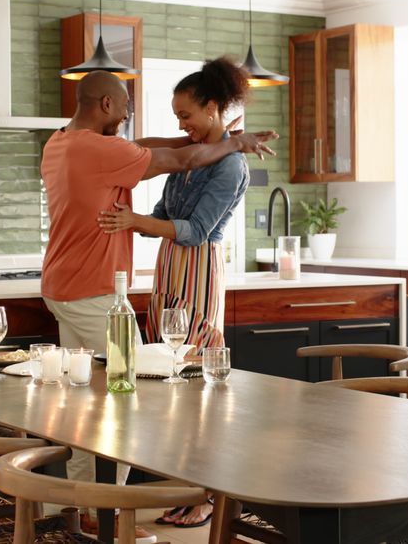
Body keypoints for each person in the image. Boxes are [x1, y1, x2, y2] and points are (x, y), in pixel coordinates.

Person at [40, 70, 277, 538]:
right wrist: (233, 141)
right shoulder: (101, 149)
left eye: (186, 115)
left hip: (66, 287)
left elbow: (157, 150)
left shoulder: (61, 140)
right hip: (94, 292)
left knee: (87, 401)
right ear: (107, 105)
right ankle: (105, 515)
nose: (130, 117)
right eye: (125, 106)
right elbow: (175, 156)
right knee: (126, 404)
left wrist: (216, 140)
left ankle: (79, 508)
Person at [97, 57, 252, 528]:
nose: (181, 125)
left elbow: (197, 230)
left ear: (211, 107)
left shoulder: (231, 164)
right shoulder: (192, 158)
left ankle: (206, 497)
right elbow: (164, 211)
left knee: (196, 387)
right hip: (168, 268)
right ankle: (185, 488)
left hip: (199, 269)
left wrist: (139, 222)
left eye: (186, 115)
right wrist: (132, 215)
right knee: (169, 383)